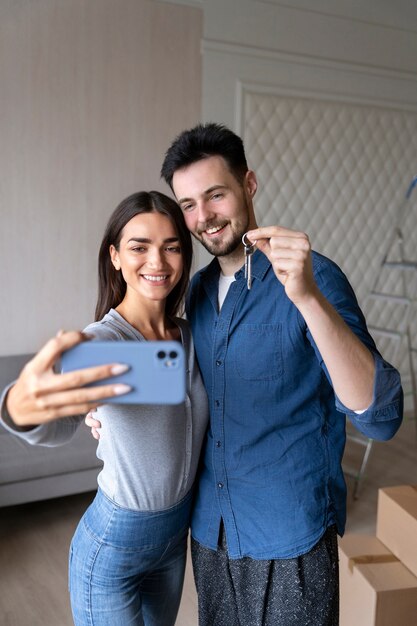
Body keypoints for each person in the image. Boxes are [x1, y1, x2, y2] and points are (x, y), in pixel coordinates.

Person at [156, 123, 402, 626]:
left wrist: (307, 298)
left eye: (215, 195)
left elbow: (382, 417)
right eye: (187, 205)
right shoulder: (197, 292)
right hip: (211, 534)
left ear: (249, 184)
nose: (203, 218)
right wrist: (102, 402)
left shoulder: (316, 278)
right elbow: (182, 376)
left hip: (290, 539)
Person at [0, 191, 208, 626]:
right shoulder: (105, 341)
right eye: (139, 247)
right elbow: (59, 420)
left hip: (175, 541)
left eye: (172, 247)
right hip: (113, 549)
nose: (158, 261)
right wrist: (18, 408)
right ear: (114, 256)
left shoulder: (191, 337)